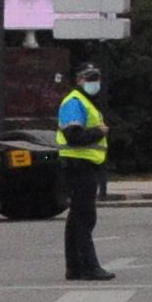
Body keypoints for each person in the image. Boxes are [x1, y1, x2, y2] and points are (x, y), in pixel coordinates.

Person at [55, 61, 114, 284]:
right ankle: (89, 267)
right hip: (78, 165)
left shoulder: (85, 101)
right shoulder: (74, 102)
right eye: (88, 78)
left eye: (96, 77)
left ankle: (75, 268)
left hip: (84, 165)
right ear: (78, 80)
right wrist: (98, 132)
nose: (93, 82)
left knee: (76, 218)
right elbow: (74, 136)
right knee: (84, 217)